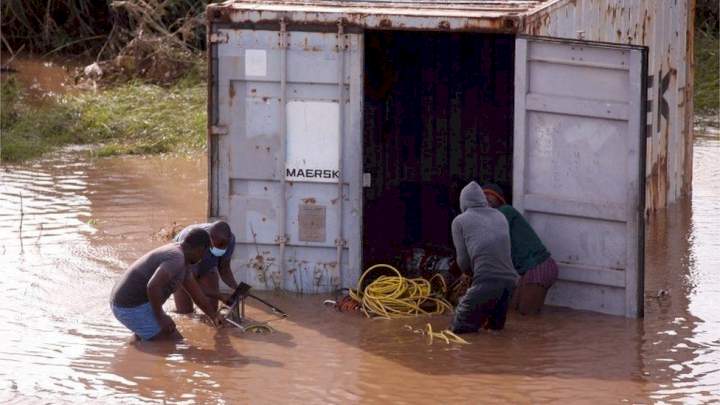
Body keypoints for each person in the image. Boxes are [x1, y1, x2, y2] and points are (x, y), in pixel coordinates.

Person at [110, 228, 220, 341]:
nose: (203, 258)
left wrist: (214, 317)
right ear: (200, 249)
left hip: (133, 303)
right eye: (205, 253)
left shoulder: (184, 260)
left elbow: (197, 295)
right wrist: (161, 316)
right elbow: (153, 286)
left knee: (158, 339)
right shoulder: (176, 258)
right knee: (173, 343)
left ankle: (133, 351)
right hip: (129, 306)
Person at [450, 181, 519, 334]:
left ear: (463, 202)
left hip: (486, 281)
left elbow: (463, 261)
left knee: (458, 329)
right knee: (495, 332)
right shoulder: (500, 216)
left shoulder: (460, 221)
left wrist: (468, 275)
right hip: (509, 283)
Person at [483, 183, 559, 315]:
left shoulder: (506, 211)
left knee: (526, 317)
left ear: (499, 200)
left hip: (538, 267)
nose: (486, 198)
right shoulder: (494, 218)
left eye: (490, 196)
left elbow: (488, 236)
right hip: (529, 270)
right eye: (483, 196)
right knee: (514, 312)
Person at [173, 221, 239, 314]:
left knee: (212, 310)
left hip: (207, 263)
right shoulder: (192, 242)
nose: (221, 249)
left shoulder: (230, 240)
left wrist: (236, 289)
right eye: (219, 245)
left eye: (224, 245)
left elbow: (224, 269)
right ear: (210, 240)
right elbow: (188, 282)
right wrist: (219, 296)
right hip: (185, 264)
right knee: (185, 312)